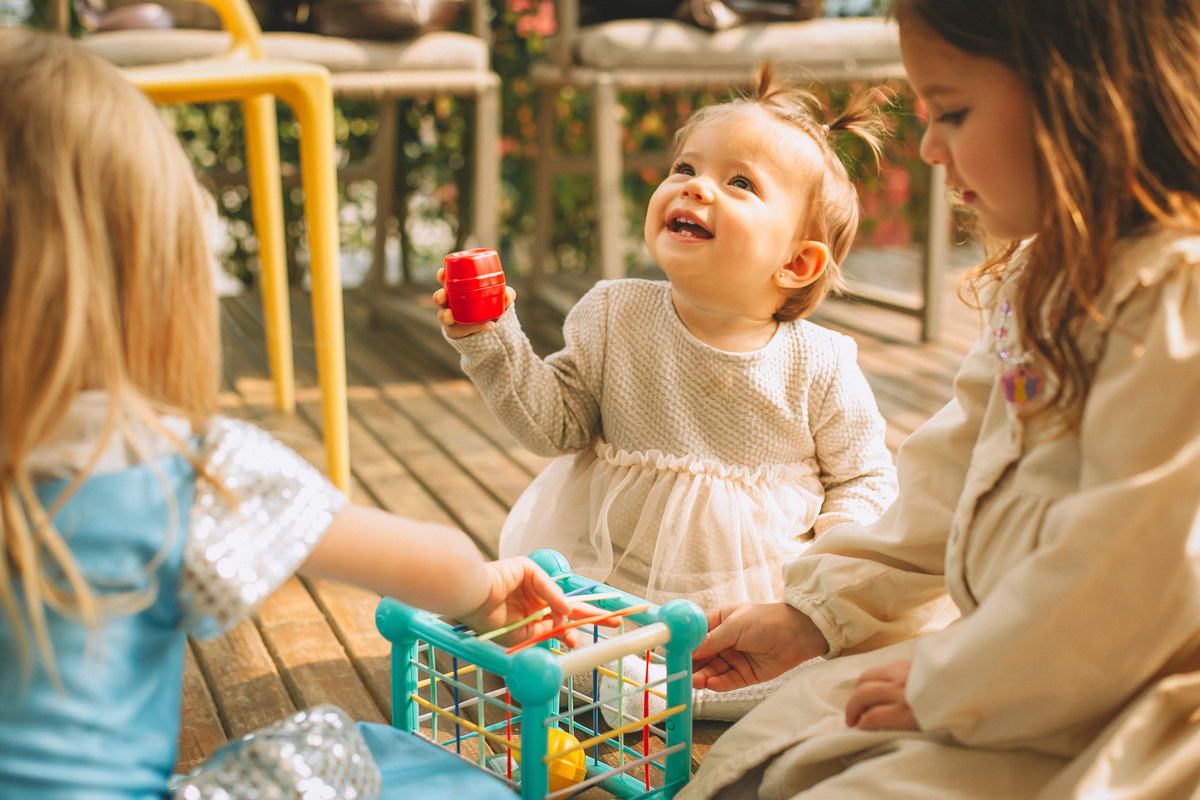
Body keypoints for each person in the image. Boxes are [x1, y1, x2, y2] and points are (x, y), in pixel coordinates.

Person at [0, 28, 599, 800]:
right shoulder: (176, 468)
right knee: (352, 752)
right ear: (150, 281)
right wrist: (486, 588)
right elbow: (434, 566)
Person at [678, 0, 1200, 797]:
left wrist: (956, 681)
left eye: (951, 112)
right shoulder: (1045, 276)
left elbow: (1128, 575)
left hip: (1117, 697)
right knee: (759, 758)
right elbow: (953, 476)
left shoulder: (1176, 294)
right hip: (1012, 662)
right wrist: (819, 613)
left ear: (1083, 96)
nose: (927, 148)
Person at [435, 65, 899, 719]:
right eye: (685, 168)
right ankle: (617, 678)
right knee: (556, 644)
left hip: (750, 607)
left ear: (796, 263)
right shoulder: (613, 313)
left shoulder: (819, 363)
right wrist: (491, 342)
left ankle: (670, 688)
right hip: (613, 582)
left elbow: (865, 481)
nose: (696, 187)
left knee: (789, 680)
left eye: (740, 182)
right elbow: (554, 427)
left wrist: (822, 583)